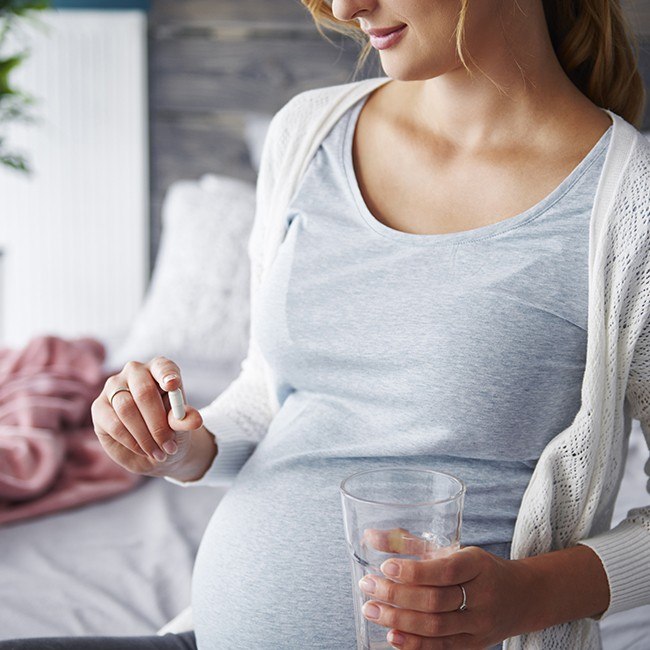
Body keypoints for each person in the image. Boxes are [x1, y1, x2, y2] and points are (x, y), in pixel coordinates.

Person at [3, 0, 649, 648]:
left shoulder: (629, 204)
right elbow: (270, 395)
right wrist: (181, 445)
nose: (345, 7)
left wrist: (524, 598)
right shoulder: (309, 133)